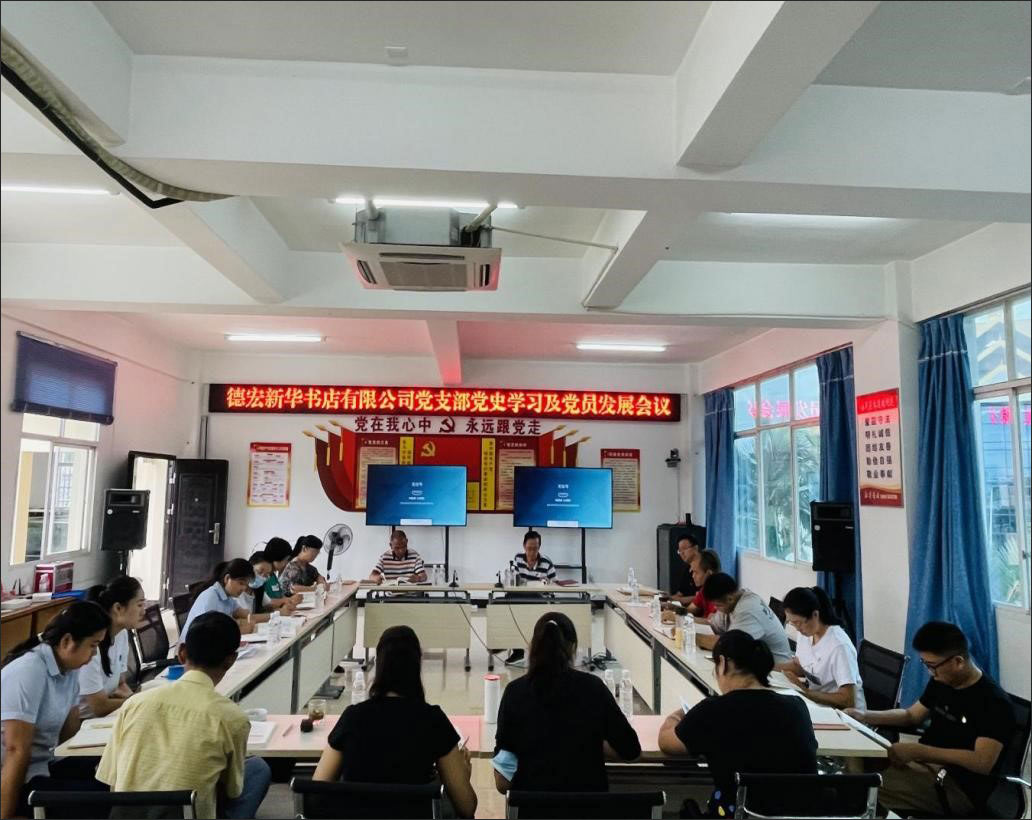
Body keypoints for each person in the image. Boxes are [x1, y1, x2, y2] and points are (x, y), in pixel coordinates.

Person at [97, 611, 271, 819]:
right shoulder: (232, 718)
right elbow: (233, 790)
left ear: (181, 653)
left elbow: (111, 777)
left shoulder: (133, 704)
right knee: (257, 769)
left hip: (127, 815)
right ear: (231, 660)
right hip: (187, 813)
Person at [846, 621, 1015, 816]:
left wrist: (920, 751)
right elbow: (911, 715)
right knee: (854, 757)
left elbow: (982, 761)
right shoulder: (942, 680)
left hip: (956, 786)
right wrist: (864, 715)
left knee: (864, 784)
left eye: (932, 666)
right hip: (924, 767)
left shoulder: (993, 703)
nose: (929, 672)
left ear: (958, 661)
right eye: (925, 664)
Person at [314, 625, 476, 817]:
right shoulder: (433, 720)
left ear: (380, 666)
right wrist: (463, 775)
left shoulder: (352, 717)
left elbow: (316, 794)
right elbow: (467, 807)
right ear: (417, 666)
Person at [658, 630, 818, 817]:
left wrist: (677, 716)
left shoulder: (712, 711)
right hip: (797, 814)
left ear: (723, 663)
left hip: (737, 813)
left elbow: (666, 742)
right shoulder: (796, 707)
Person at [493, 612, 640, 794]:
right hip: (588, 807)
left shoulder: (514, 693)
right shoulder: (594, 688)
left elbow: (502, 783)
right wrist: (591, 741)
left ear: (532, 646)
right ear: (572, 648)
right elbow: (631, 751)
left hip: (531, 807)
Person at [1, 601, 111, 819]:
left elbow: (68, 733)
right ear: (67, 641)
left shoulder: (68, 668)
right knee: (102, 801)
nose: (94, 654)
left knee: (110, 773)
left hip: (40, 764)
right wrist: (5, 815)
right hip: (13, 777)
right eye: (93, 645)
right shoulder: (29, 670)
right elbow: (15, 750)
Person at [777, 586, 865, 709]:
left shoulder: (839, 646)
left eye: (798, 622)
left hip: (844, 713)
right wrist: (768, 667)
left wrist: (805, 692)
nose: (797, 628)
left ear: (815, 614)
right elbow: (800, 666)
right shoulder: (806, 633)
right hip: (817, 703)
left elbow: (848, 700)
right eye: (792, 623)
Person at [79, 576, 146, 718]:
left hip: (109, 716)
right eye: (139, 605)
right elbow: (99, 707)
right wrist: (138, 702)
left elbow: (120, 684)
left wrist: (134, 700)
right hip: (86, 723)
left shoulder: (121, 634)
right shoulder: (92, 646)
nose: (143, 611)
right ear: (118, 608)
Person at [698, 573, 793, 664]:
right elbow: (712, 624)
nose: (715, 608)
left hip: (777, 669)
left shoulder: (747, 610)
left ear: (730, 599)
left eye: (717, 605)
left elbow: (728, 646)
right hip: (758, 662)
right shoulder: (734, 599)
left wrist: (693, 638)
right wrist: (690, 619)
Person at [181, 559, 268, 643]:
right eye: (241, 583)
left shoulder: (228, 597)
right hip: (193, 649)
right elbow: (210, 634)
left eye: (246, 584)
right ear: (227, 578)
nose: (244, 588)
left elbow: (246, 614)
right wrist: (246, 628)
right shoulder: (211, 597)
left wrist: (270, 617)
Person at [503, 531, 557, 664]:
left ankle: (540, 652)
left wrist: (547, 584)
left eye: (535, 548)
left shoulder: (547, 563)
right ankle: (517, 651)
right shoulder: (518, 559)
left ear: (539, 547)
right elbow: (514, 582)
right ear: (524, 546)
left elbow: (555, 586)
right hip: (521, 600)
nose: (532, 552)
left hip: (539, 602)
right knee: (507, 606)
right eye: (529, 548)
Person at [237, 550, 298, 615]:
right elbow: (244, 618)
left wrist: (283, 609)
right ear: (249, 567)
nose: (261, 577)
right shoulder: (237, 591)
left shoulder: (258, 589)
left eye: (266, 575)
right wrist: (278, 613)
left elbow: (267, 606)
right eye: (260, 571)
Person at [684, 549, 721, 618]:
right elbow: (690, 609)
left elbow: (712, 622)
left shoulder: (720, 594)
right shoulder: (704, 590)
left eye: (696, 572)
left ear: (709, 573)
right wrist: (671, 608)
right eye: (692, 572)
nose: (693, 576)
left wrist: (682, 616)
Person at [667, 534, 701, 605]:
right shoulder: (688, 568)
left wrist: (679, 600)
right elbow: (680, 593)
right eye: (680, 550)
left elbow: (701, 598)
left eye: (684, 548)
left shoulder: (704, 566)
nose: (682, 553)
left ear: (695, 548)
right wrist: (666, 599)